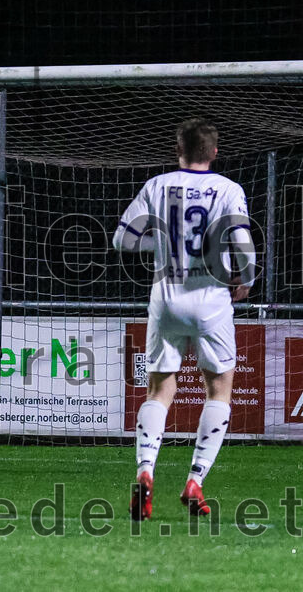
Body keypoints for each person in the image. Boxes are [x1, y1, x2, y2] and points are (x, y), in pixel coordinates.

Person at [114, 118, 255, 519]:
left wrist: (159, 241)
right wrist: (244, 278)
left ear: (178, 149)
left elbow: (121, 238)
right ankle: (195, 480)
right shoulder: (229, 189)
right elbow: (242, 241)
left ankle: (145, 472)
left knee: (159, 390)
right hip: (211, 298)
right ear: (213, 151)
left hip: (167, 298)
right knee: (219, 389)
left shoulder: (157, 186)